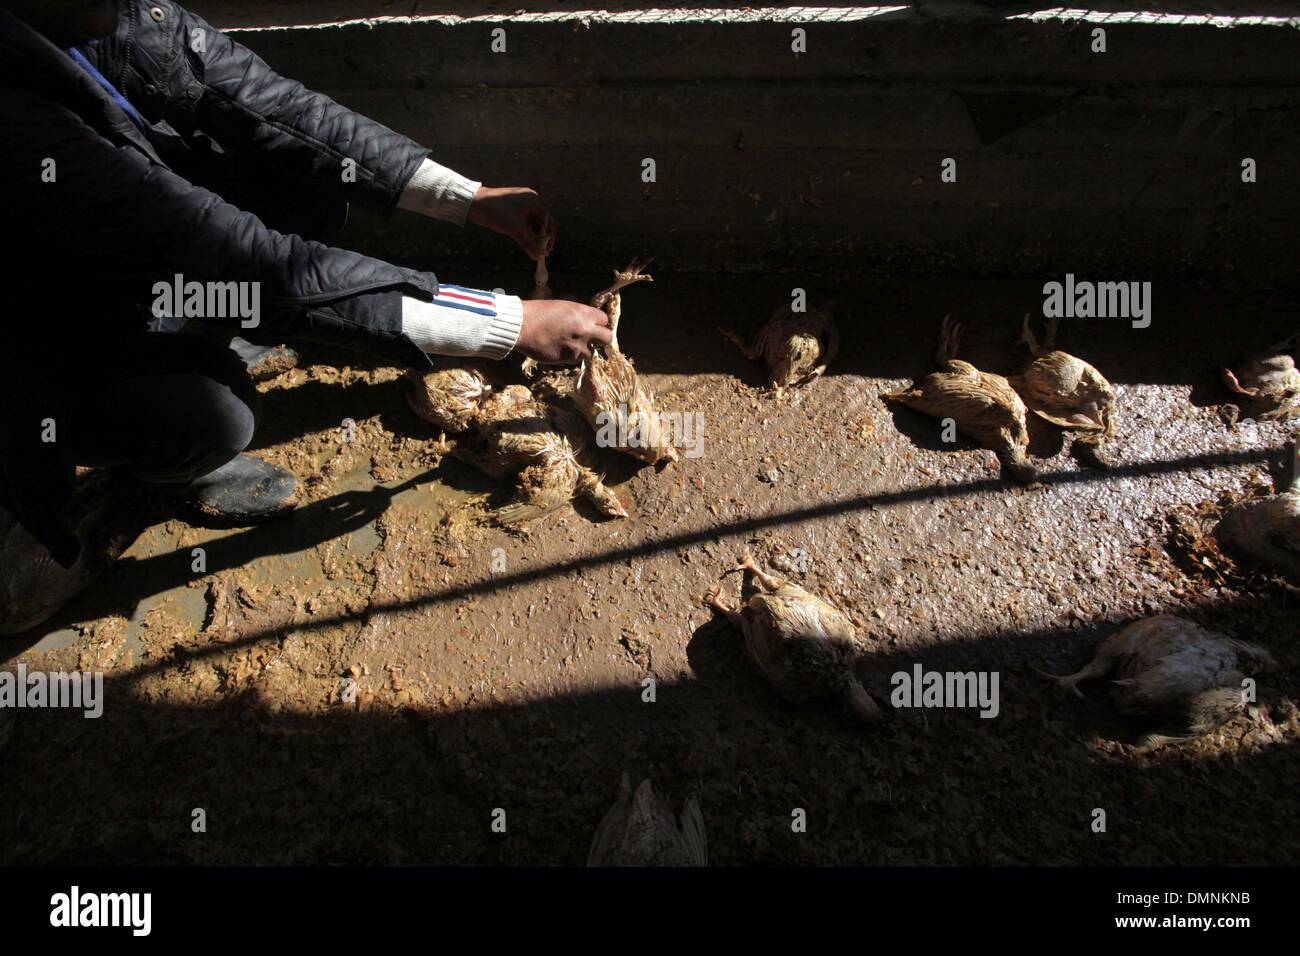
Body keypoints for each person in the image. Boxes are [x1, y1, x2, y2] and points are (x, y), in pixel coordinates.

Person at [0, 0, 613, 633]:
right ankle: (136, 475)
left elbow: (278, 108)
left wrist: (468, 198)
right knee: (213, 413)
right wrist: (506, 324)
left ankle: (212, 332)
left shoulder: (102, 16)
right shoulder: (16, 127)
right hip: (41, 341)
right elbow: (249, 262)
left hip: (140, 251)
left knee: (308, 182)